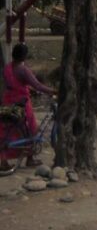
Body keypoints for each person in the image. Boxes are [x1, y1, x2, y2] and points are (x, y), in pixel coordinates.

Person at [1, 43, 55, 174]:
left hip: (8, 102)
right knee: (31, 129)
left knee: (6, 130)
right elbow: (38, 85)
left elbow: (14, 84)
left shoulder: (7, 68)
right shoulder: (23, 70)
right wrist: (54, 91)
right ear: (24, 56)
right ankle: (30, 157)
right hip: (22, 103)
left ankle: (4, 160)